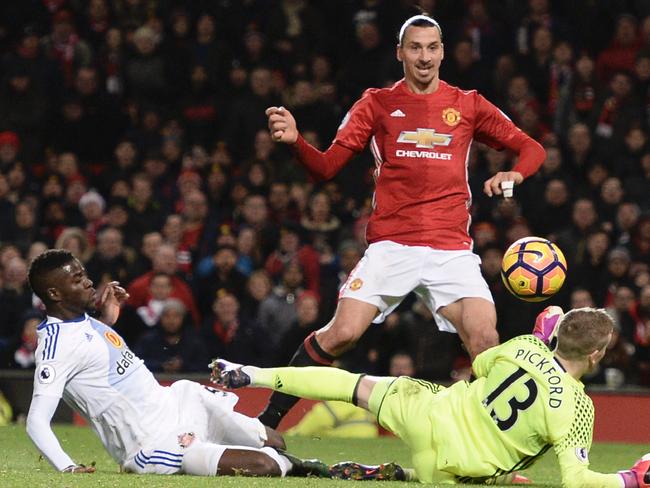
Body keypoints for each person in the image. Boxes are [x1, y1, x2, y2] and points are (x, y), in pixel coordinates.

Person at [260, 13, 546, 427]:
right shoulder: (376, 103)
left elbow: (531, 147)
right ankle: (267, 422)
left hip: (451, 250)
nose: (424, 56)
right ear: (400, 53)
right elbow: (326, 167)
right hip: (392, 245)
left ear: (443, 52)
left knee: (485, 340)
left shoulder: (468, 104)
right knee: (342, 334)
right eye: (415, 47)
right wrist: (297, 143)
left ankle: (492, 449)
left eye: (432, 47)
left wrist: (513, 174)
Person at [212, 306, 650, 486]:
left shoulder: (525, 346)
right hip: (456, 468)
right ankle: (400, 472)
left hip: (428, 412)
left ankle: (249, 373)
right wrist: (631, 478)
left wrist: (536, 337)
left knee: (352, 384)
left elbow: (479, 367)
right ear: (596, 355)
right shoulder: (577, 407)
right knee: (484, 469)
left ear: (557, 336)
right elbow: (577, 481)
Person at [25, 249, 329, 478]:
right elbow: (36, 421)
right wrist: (67, 468)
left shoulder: (83, 323)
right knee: (265, 464)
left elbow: (93, 352)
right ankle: (318, 470)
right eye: (77, 279)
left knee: (274, 440)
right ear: (54, 293)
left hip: (178, 401)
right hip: (153, 444)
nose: (89, 281)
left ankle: (300, 466)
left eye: (84, 273)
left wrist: (109, 317)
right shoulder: (54, 347)